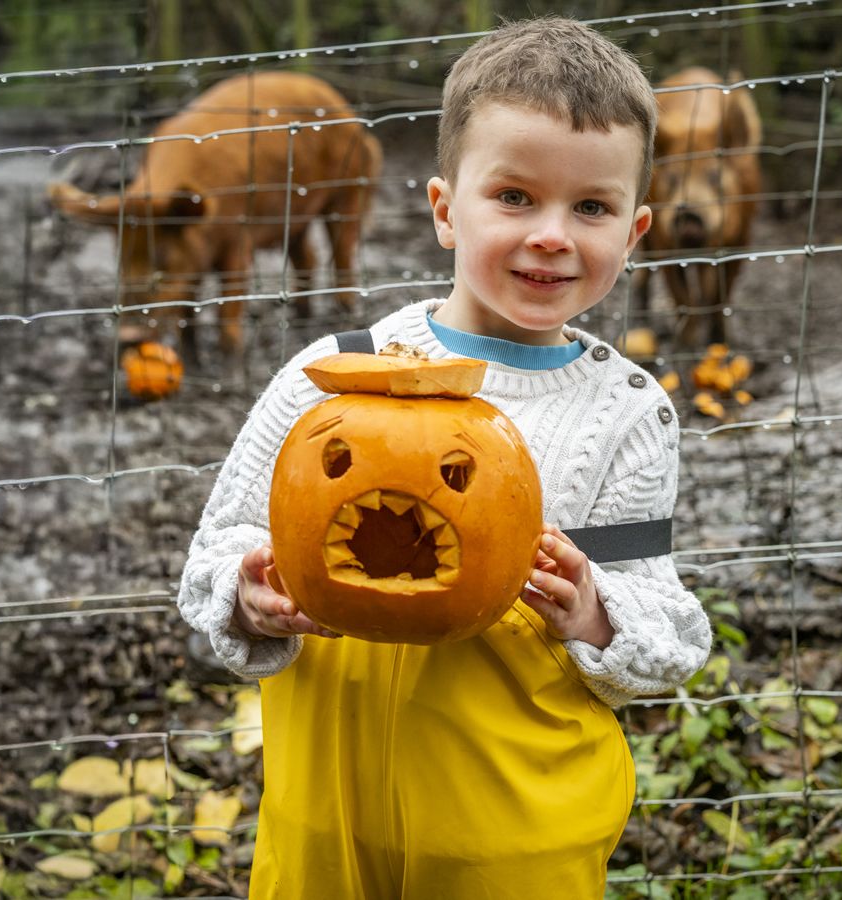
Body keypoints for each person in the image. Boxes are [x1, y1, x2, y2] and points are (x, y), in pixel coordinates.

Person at [178, 16, 713, 899]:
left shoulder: (627, 413)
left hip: (510, 838)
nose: (552, 234)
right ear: (443, 209)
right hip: (324, 826)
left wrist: (591, 612)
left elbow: (661, 635)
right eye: (514, 197)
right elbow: (212, 556)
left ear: (635, 229)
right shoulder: (332, 375)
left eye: (591, 207)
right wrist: (248, 591)